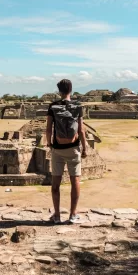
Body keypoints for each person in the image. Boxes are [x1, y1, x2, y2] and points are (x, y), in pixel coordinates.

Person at [46, 79, 87, 224]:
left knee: (55, 183)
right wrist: (85, 147)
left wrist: (50, 144)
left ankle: (56, 215)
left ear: (59, 91)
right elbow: (81, 130)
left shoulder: (53, 106)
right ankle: (73, 214)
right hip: (73, 148)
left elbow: (49, 128)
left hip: (57, 148)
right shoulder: (78, 106)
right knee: (75, 180)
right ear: (71, 90)